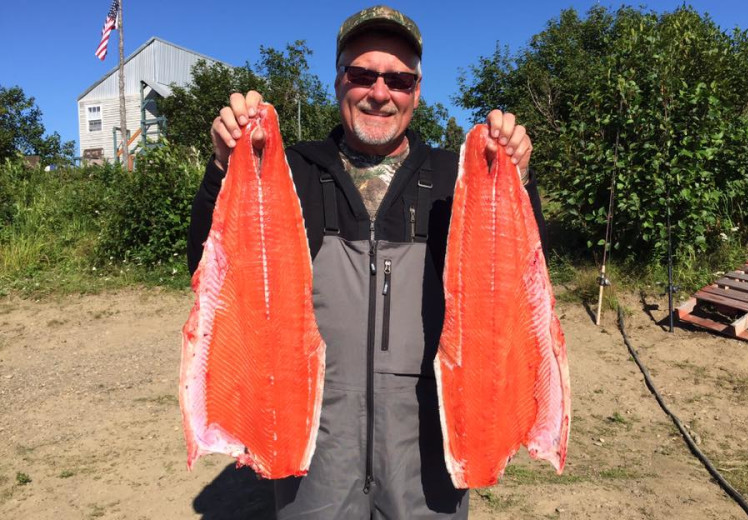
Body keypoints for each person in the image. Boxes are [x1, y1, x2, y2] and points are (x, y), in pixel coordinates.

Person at [188, 6, 546, 519]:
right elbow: (209, 273)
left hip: (425, 453)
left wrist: (519, 180)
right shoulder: (289, 172)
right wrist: (225, 169)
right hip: (315, 449)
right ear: (339, 82)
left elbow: (523, 289)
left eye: (398, 79)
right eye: (362, 74)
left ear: (416, 91)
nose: (380, 92)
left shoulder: (455, 179)